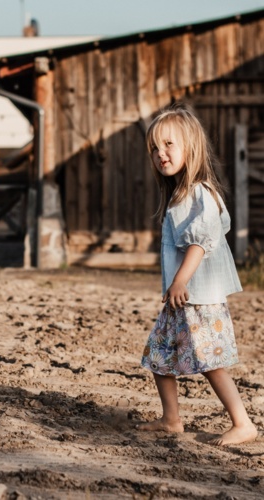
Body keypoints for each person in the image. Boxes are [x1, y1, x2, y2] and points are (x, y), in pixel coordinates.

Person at [138, 103, 258, 446]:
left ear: (190, 147)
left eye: (168, 144)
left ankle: (243, 423)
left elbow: (200, 244)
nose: (160, 154)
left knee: (210, 362)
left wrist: (180, 281)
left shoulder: (199, 193)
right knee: (158, 356)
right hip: (182, 300)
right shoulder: (180, 196)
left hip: (198, 298)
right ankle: (171, 419)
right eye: (154, 148)